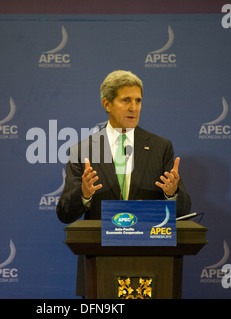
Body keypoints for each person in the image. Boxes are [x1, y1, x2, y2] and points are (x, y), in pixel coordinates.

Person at [56, 70, 191, 297]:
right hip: (100, 265)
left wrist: (172, 193)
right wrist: (84, 195)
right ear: (107, 104)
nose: (134, 107)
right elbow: (64, 213)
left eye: (138, 101)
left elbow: (183, 209)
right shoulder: (83, 150)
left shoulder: (160, 148)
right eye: (126, 100)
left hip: (151, 266)